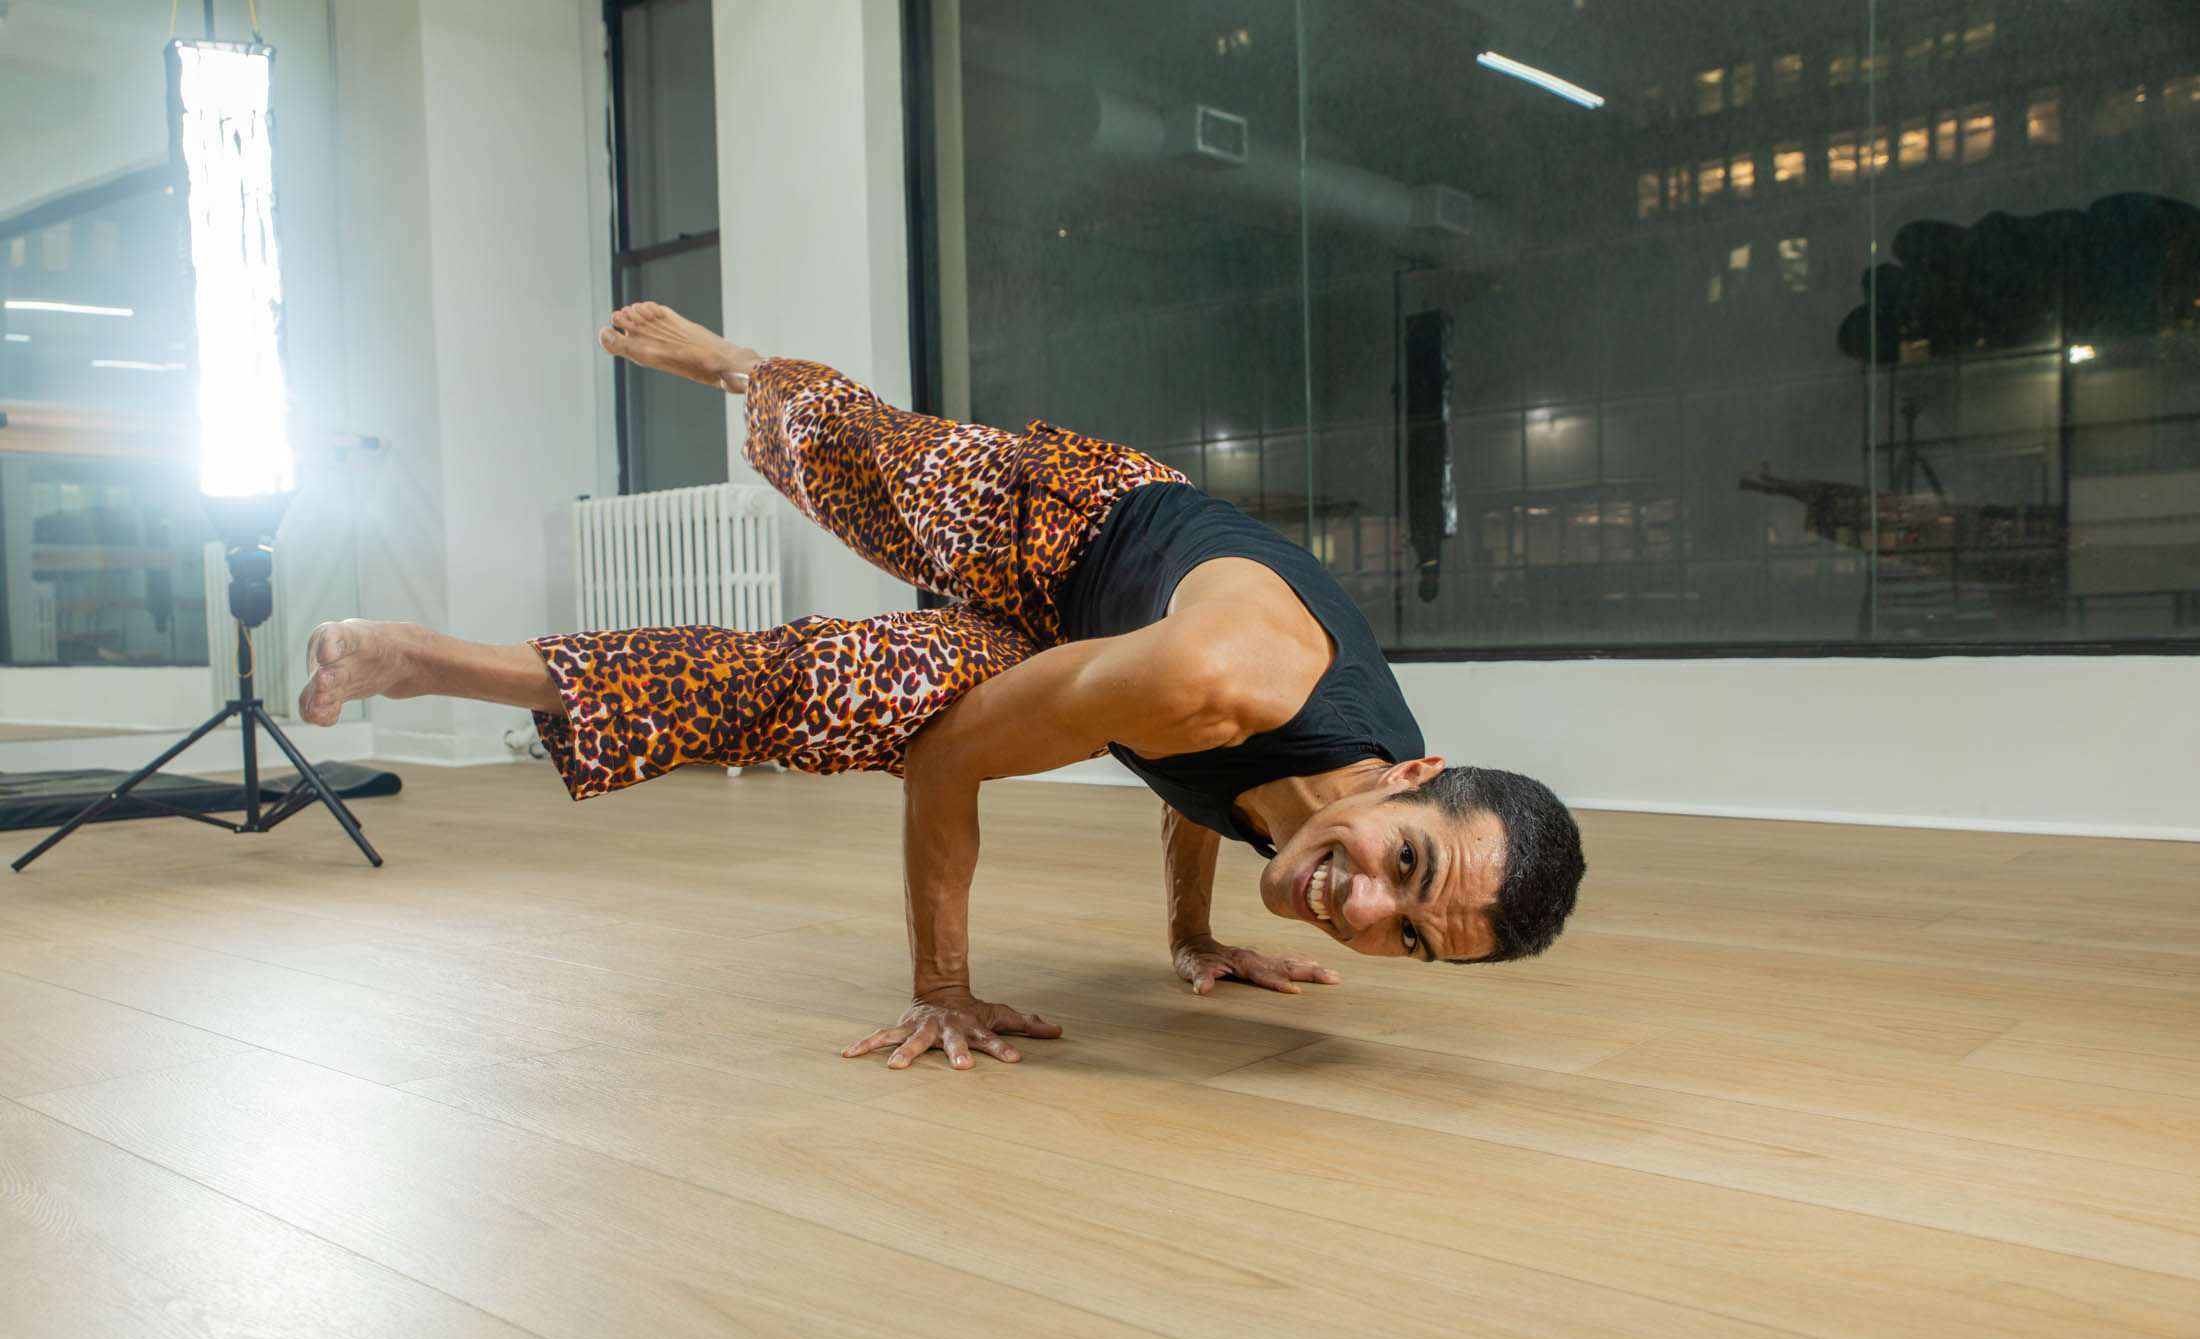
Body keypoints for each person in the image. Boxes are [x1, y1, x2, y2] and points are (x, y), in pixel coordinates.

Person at [300, 303, 1586, 1070]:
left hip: (1083, 652)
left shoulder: (1341, 793)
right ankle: (745, 367)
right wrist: (943, 986)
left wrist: (1193, 938)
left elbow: (1214, 790)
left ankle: (414, 658)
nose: (1359, 910)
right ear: (1412, 779)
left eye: (1405, 939)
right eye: (1402, 871)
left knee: (824, 689)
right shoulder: (1219, 672)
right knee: (856, 458)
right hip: (1071, 520)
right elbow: (971, 758)